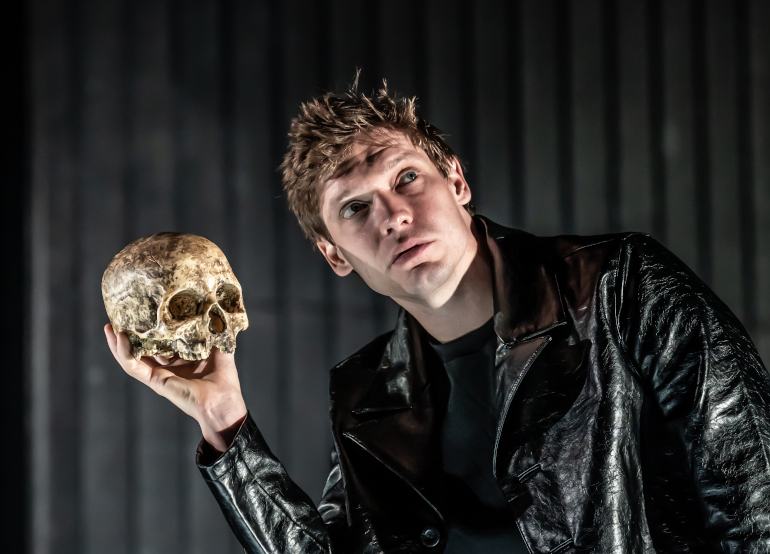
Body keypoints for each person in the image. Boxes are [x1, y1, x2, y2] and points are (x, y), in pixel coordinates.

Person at [105, 84, 770, 553]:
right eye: (354, 209)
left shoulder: (620, 285)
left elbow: (751, 495)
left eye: (405, 180)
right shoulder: (369, 396)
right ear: (334, 255)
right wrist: (225, 424)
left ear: (455, 181)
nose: (392, 215)